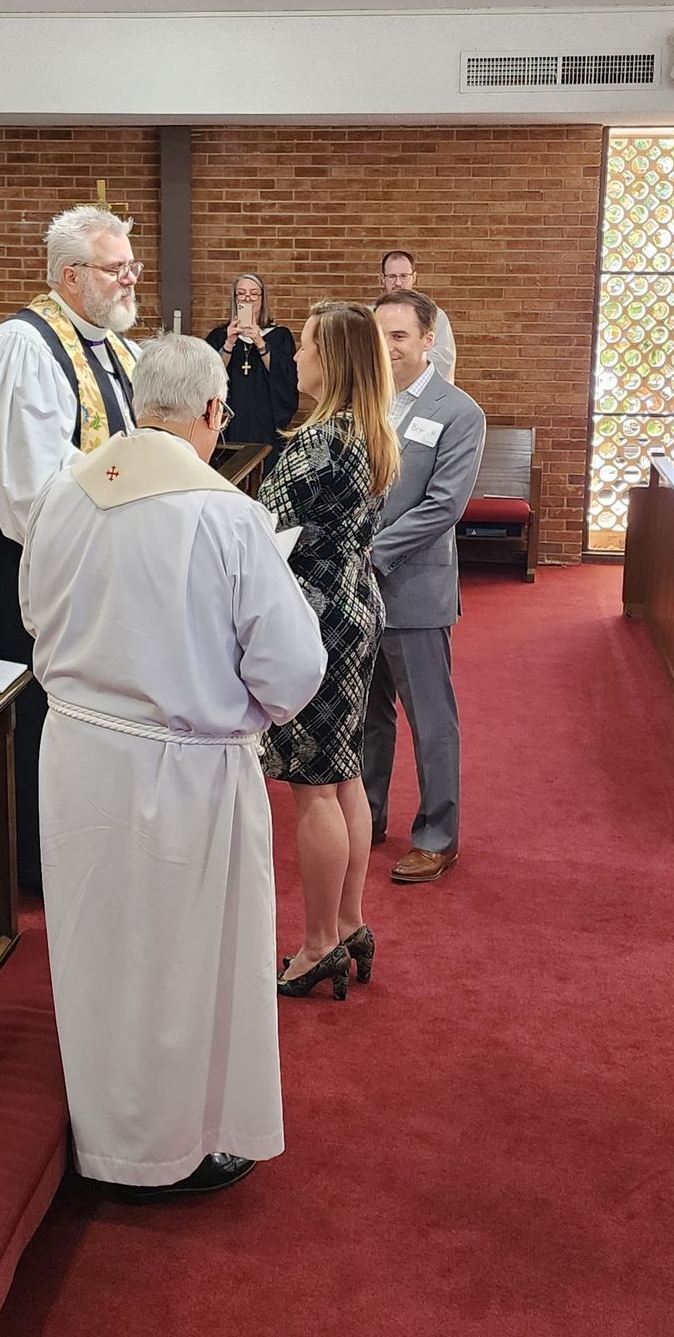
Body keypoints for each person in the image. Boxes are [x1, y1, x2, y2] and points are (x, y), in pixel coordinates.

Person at [19, 335, 327, 1198]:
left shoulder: (64, 493)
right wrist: (242, 712)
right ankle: (171, 1147)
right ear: (213, 413)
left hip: (77, 755)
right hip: (184, 773)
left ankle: (103, 1127)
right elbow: (293, 667)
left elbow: (33, 614)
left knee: (98, 946)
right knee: (187, 961)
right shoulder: (226, 513)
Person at [0, 205, 142, 891]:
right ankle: (29, 857)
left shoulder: (117, 348)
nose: (130, 280)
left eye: (131, 266)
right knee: (34, 728)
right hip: (35, 583)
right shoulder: (23, 348)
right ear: (71, 277)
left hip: (99, 572)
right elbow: (30, 497)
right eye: (117, 269)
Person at [259, 301, 400, 998]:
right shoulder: (366, 432)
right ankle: (347, 924)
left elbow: (264, 535)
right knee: (342, 775)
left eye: (306, 345)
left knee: (312, 784)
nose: (294, 356)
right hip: (354, 604)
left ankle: (317, 945)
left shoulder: (317, 442)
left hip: (314, 615)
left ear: (333, 359)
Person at [362, 289, 486, 882]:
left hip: (412, 589)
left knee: (429, 719)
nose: (387, 348)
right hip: (357, 593)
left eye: (400, 336)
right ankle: (367, 815)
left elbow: (444, 506)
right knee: (367, 714)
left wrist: (369, 554)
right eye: (379, 335)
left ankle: (438, 835)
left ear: (428, 340)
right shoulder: (363, 402)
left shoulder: (459, 412)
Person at [205, 273, 298, 461]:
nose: (248, 298)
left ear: (263, 299)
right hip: (229, 422)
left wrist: (259, 341)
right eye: (241, 293)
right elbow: (209, 377)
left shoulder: (279, 335)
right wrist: (229, 343)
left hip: (264, 421)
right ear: (235, 299)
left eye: (254, 294)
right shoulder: (219, 336)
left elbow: (286, 378)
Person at [380, 249, 457, 383]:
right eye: (392, 276)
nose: (398, 283)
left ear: (414, 277)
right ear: (382, 279)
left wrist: (403, 360)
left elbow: (444, 359)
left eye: (404, 276)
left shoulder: (435, 315)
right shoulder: (371, 315)